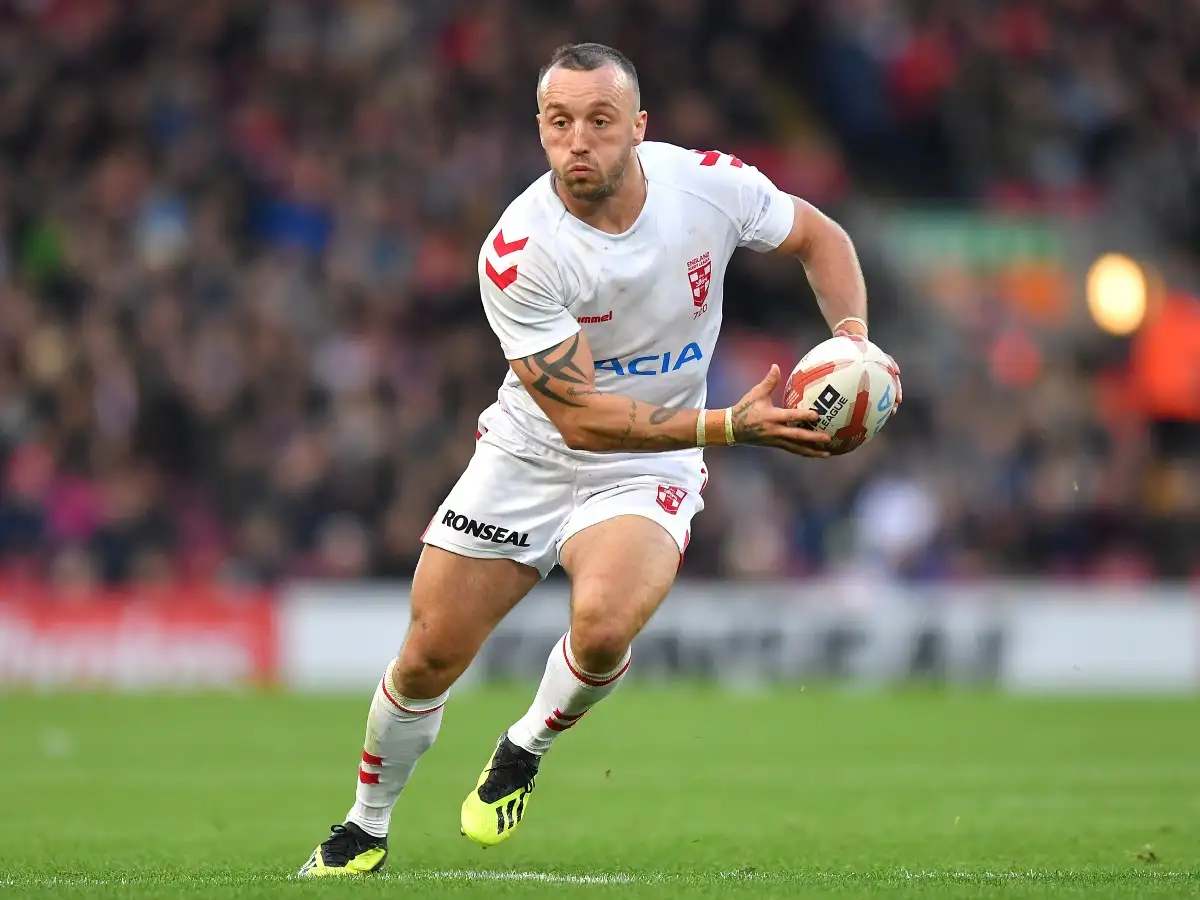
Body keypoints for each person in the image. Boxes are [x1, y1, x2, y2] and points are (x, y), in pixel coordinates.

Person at [299, 41, 872, 876]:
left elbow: (820, 237)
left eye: (600, 121)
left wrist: (851, 347)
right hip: (532, 453)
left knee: (601, 630)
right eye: (560, 122)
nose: (579, 142)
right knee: (427, 656)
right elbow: (581, 421)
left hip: (653, 463)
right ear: (539, 131)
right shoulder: (519, 250)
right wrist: (728, 428)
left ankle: (524, 745)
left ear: (638, 127)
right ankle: (366, 825)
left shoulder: (707, 185)